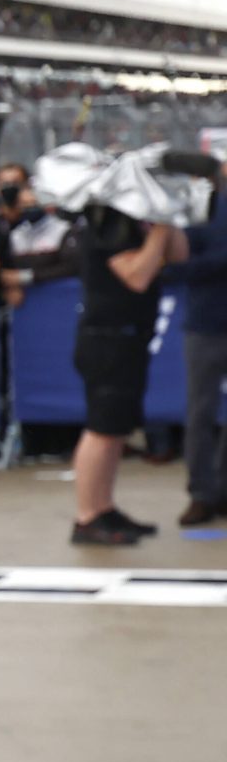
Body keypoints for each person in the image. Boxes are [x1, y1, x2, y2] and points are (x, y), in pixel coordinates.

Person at [69, 203, 187, 545]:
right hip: (107, 339)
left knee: (117, 428)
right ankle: (87, 516)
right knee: (101, 429)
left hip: (131, 337)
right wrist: (161, 231)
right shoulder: (107, 221)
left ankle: (104, 507)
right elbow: (137, 276)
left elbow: (179, 255)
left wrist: (167, 218)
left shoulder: (137, 222)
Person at [174, 186, 227, 526]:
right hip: (206, 324)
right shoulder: (199, 207)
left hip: (206, 319)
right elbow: (177, 265)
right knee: (200, 413)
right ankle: (201, 493)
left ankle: (222, 490)